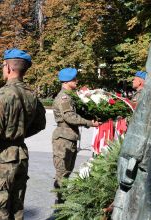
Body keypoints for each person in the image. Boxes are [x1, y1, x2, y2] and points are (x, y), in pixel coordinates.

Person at [0, 48, 46, 219]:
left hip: (2, 160)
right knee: (16, 209)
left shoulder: (0, 95)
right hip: (21, 157)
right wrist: (18, 133)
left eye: (3, 66)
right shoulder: (32, 96)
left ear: (8, 67)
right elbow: (40, 124)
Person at [52, 68, 99, 203]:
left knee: (67, 172)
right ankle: (60, 204)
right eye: (74, 79)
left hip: (69, 137)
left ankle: (63, 201)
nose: (76, 81)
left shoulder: (70, 96)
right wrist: (89, 123)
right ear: (67, 81)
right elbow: (70, 117)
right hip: (63, 139)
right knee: (62, 173)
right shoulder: (64, 98)